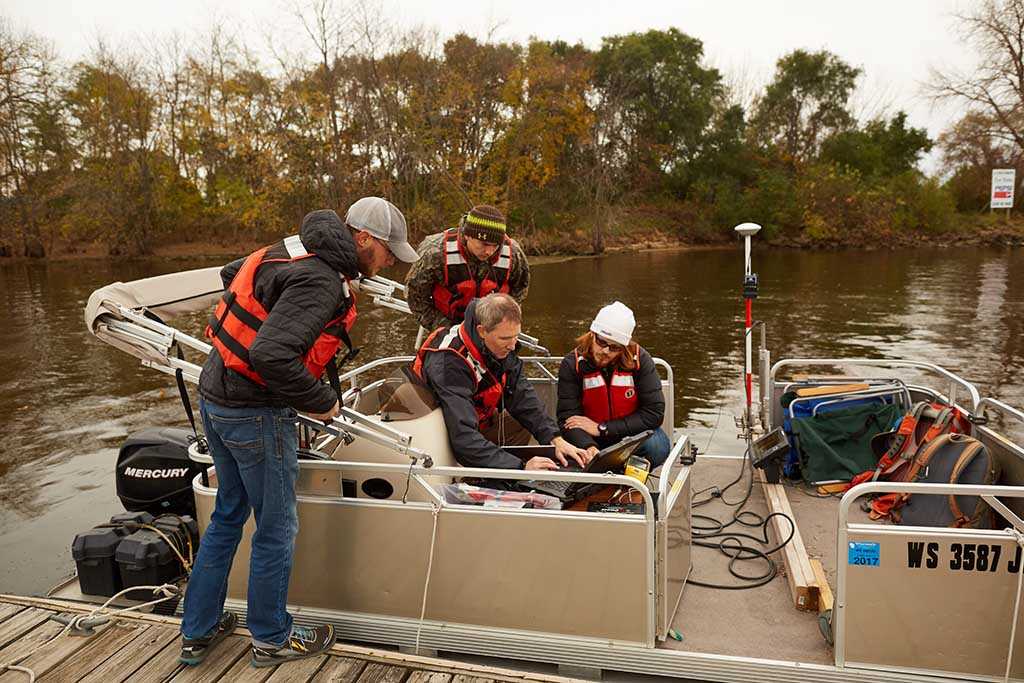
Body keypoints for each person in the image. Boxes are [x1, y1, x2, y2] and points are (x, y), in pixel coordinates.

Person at [180, 197, 418, 668]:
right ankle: (271, 637)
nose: (391, 262)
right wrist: (322, 401)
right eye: (389, 251)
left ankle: (198, 628)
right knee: (277, 528)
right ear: (364, 239)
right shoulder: (321, 279)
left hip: (216, 396)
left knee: (228, 514)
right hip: (254, 413)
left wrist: (270, 315)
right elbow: (271, 355)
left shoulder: (295, 246)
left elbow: (233, 275)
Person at [409, 292, 588, 473]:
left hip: (472, 422)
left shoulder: (498, 347)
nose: (512, 345)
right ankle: (484, 478)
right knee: (506, 460)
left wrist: (556, 439)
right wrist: (520, 468)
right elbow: (463, 437)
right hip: (441, 436)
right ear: (481, 331)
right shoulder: (449, 362)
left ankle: (500, 474)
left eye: (516, 336)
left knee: (521, 423)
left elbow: (522, 396)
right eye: (505, 339)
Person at [557, 302, 672, 469]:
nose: (605, 351)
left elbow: (654, 414)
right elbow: (568, 418)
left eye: (614, 347)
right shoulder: (572, 364)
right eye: (601, 342)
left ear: (623, 347)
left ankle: (623, 479)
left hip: (628, 436)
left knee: (658, 446)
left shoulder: (640, 360)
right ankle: (602, 470)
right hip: (589, 439)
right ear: (592, 334)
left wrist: (602, 428)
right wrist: (589, 446)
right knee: (573, 449)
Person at [404, 204, 530, 334]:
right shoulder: (435, 252)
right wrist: (444, 329)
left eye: (496, 246)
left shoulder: (514, 254)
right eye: (484, 244)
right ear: (467, 235)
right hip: (446, 323)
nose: (489, 252)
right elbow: (415, 296)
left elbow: (519, 290)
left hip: (490, 327)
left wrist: (501, 323)